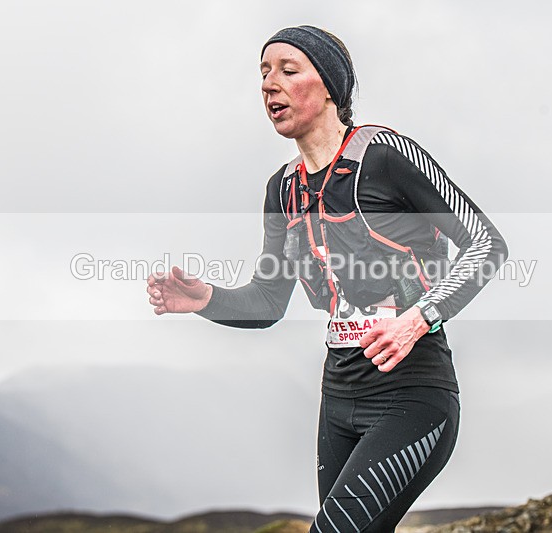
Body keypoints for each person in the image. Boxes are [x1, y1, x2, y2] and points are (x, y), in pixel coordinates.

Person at [147, 25, 508, 533]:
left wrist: (418, 318)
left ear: (330, 87)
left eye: (288, 70)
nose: (269, 84)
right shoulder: (282, 190)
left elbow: (487, 244)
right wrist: (205, 299)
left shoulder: (386, 157)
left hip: (411, 395)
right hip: (338, 397)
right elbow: (268, 301)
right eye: (263, 73)